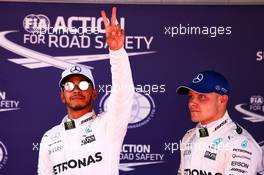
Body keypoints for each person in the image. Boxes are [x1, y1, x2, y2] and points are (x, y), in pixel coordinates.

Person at [37, 7, 134, 175]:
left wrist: (117, 52)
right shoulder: (49, 138)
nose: (76, 90)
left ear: (94, 93)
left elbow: (122, 93)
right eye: (69, 86)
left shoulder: (109, 125)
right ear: (62, 95)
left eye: (83, 85)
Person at [176, 70, 263, 175]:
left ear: (222, 100)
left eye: (201, 97)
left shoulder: (240, 143)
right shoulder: (189, 136)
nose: (192, 103)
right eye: (191, 96)